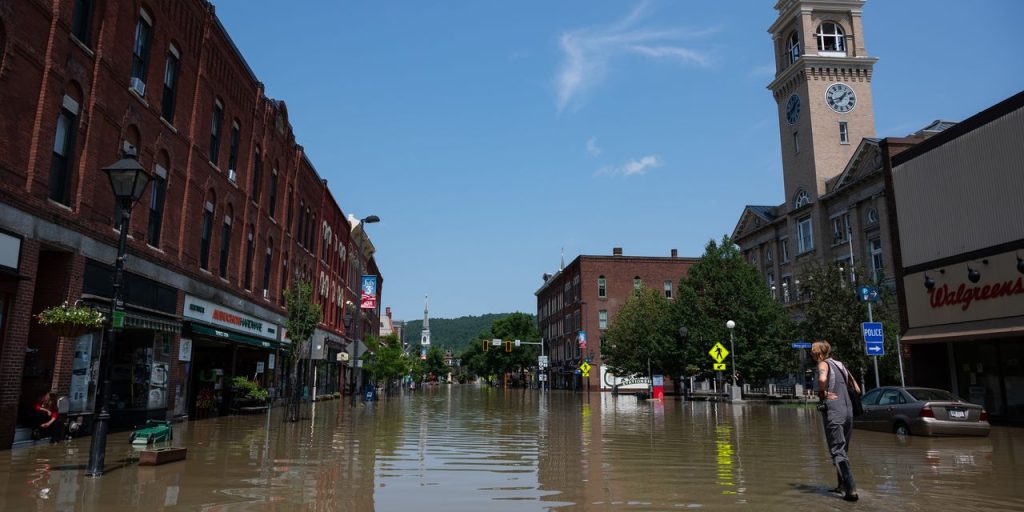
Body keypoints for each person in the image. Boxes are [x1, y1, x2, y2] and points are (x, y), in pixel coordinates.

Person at [811, 340, 861, 502]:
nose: (811, 353)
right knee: (843, 450)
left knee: (837, 450)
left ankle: (851, 489)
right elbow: (858, 388)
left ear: (819, 353)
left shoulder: (823, 364)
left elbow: (822, 380)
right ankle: (841, 486)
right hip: (848, 412)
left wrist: (824, 393)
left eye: (813, 351)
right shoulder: (840, 365)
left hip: (835, 411)